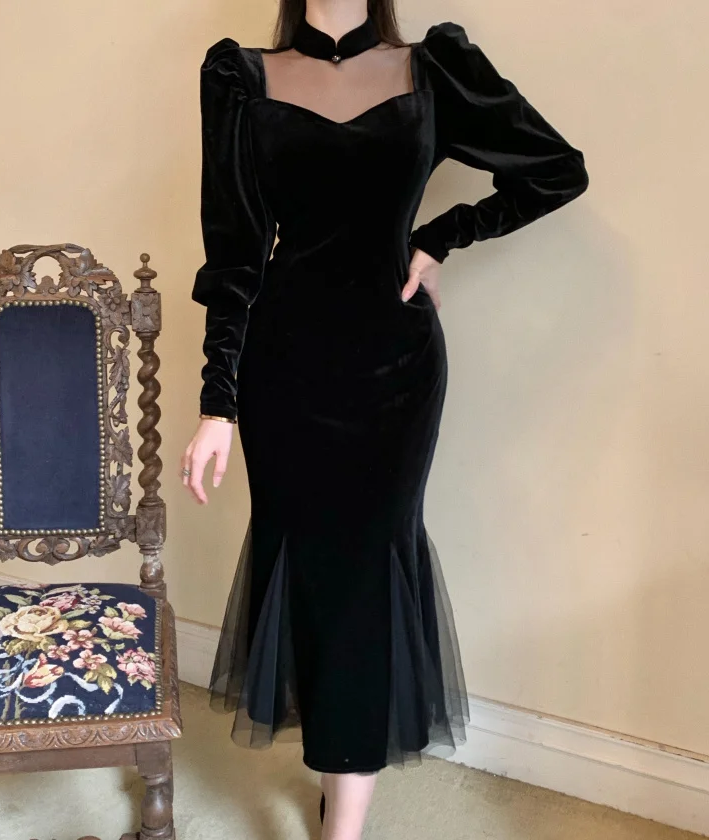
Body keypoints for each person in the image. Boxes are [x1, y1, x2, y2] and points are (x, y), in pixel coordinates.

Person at [181, 2, 588, 838]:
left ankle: (345, 822)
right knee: (306, 568)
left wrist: (440, 236)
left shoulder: (434, 70)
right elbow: (234, 252)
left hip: (395, 371)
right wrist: (218, 402)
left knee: (370, 572)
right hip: (284, 366)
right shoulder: (240, 78)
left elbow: (555, 170)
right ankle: (335, 760)